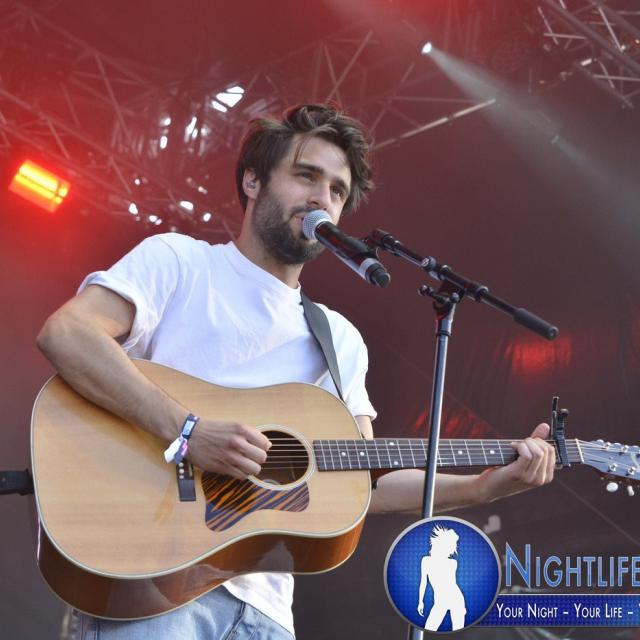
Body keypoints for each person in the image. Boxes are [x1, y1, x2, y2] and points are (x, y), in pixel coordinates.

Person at [37, 103, 556, 640]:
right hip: (154, 579)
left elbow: (364, 479)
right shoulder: (180, 261)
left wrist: (483, 487)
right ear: (253, 180)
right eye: (306, 175)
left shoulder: (338, 339)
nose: (321, 197)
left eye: (337, 190)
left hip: (266, 612)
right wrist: (188, 431)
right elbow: (68, 334)